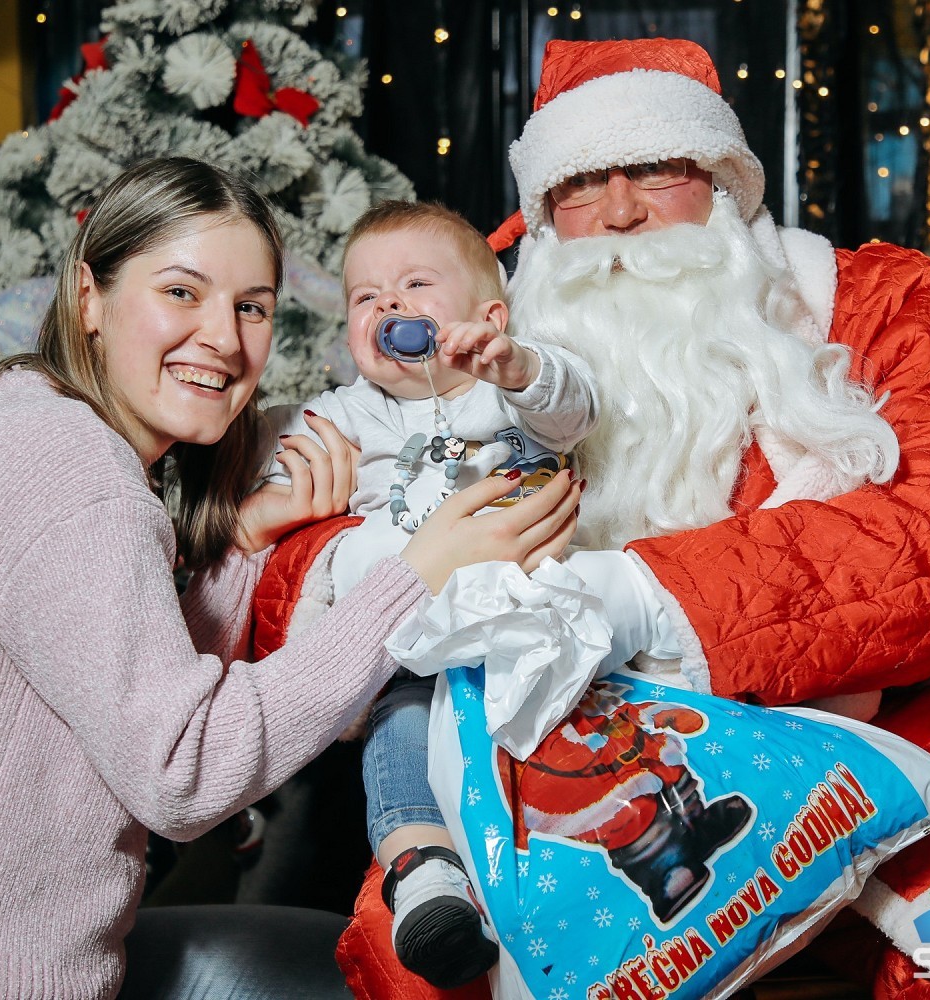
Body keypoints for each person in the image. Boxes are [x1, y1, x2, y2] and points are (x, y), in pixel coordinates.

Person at [265, 38, 930, 999]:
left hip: (902, 744)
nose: (619, 214)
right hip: (582, 769)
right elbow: (298, 566)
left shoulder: (870, 298)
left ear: (724, 180)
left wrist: (632, 596)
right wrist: (369, 556)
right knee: (433, 970)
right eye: (581, 185)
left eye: (655, 170)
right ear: (545, 214)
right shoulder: (474, 339)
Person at [0, 157, 579, 1000]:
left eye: (251, 306)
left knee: (314, 960)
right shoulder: (72, 472)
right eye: (181, 291)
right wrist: (417, 575)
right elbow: (183, 773)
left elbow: (125, 694)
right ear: (89, 297)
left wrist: (243, 540)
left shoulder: (21, 414)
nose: (224, 338)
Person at [248, 199, 620, 990]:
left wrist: (518, 367)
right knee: (399, 725)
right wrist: (273, 496)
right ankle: (422, 875)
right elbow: (276, 468)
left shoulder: (509, 390)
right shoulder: (349, 412)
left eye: (415, 284)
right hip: (422, 638)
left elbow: (577, 407)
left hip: (539, 628)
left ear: (488, 318)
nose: (389, 304)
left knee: (579, 733)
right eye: (365, 296)